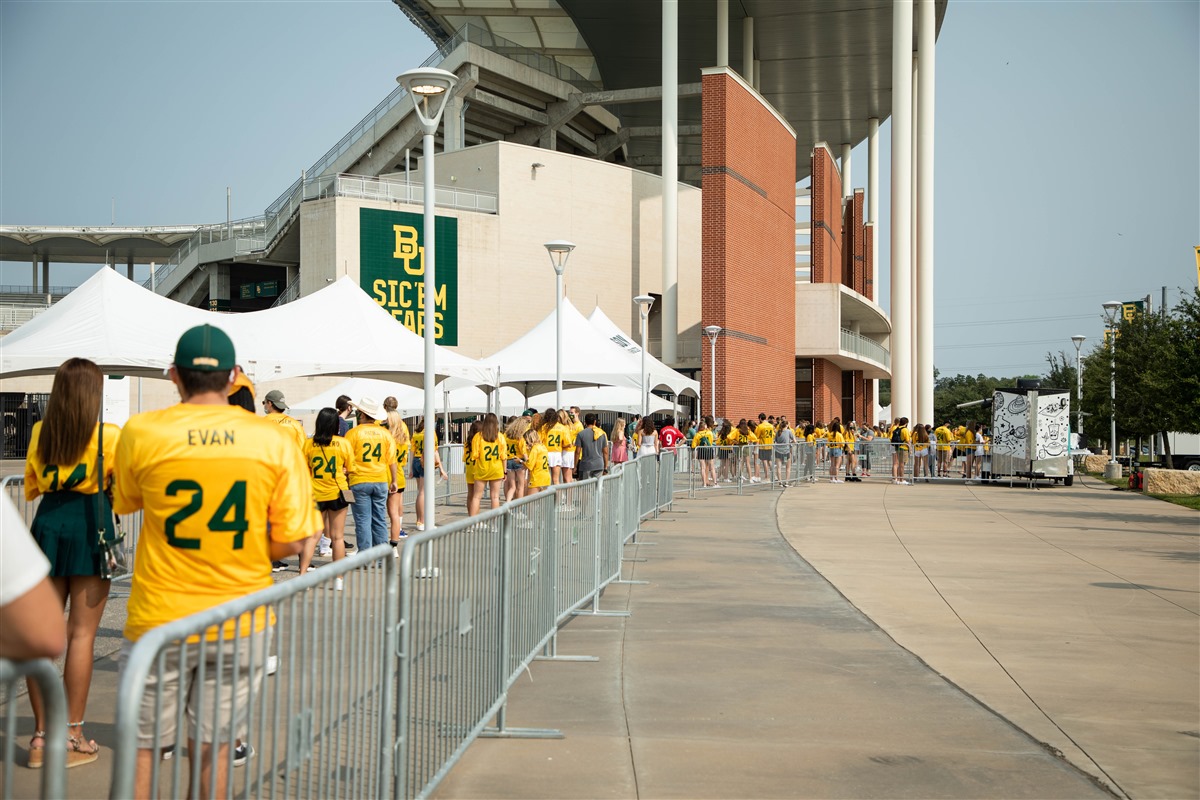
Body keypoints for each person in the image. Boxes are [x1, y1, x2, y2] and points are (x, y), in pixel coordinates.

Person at [113, 324, 316, 797]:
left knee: (141, 753)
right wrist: (239, 548)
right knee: (215, 751)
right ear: (234, 379)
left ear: (173, 376)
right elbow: (291, 539)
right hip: (239, 618)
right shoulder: (274, 441)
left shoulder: (142, 431)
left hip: (159, 620)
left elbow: (126, 502)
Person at [21, 357, 118, 769]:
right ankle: (73, 735)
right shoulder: (109, 435)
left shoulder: (41, 431)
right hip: (92, 528)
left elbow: (30, 487)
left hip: (47, 527)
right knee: (81, 637)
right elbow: (124, 487)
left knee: (40, 638)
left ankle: (41, 738)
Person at [0, 494, 67, 662]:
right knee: (82, 633)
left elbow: (31, 489)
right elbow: (45, 636)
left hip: (49, 516)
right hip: (90, 517)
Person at [304, 408, 352, 584]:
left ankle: (302, 576)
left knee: (313, 536)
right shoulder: (343, 443)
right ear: (335, 425)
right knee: (338, 537)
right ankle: (338, 578)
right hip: (337, 493)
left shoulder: (308, 444)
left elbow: (304, 469)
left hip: (315, 493)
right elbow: (351, 468)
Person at [344, 396, 397, 550]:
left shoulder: (353, 433)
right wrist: (393, 480)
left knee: (362, 520)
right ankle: (381, 556)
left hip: (359, 480)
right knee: (379, 519)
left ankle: (365, 557)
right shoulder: (385, 434)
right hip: (380, 479)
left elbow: (347, 458)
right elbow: (391, 460)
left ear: (362, 414)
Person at [411, 418, 447, 531]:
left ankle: (419, 520)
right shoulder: (431, 433)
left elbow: (412, 451)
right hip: (425, 460)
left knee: (420, 492)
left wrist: (411, 468)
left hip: (416, 460)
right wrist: (441, 468)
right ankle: (423, 521)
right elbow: (434, 450)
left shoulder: (416, 433)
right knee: (423, 492)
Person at [470, 413, 507, 515]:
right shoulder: (500, 437)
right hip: (496, 469)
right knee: (495, 497)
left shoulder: (478, 437)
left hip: (482, 468)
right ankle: (495, 523)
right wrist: (505, 471)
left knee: (476, 497)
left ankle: (473, 523)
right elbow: (503, 456)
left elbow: (474, 455)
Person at [385, 410, 410, 543]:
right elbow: (404, 460)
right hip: (399, 476)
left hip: (387, 476)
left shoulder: (389, 439)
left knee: (381, 514)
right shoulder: (403, 439)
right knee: (395, 513)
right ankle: (394, 543)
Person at [574, 413, 610, 480]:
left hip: (585, 465)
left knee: (586, 488)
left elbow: (577, 452)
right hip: (599, 464)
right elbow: (605, 452)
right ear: (595, 422)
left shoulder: (581, 434)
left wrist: (575, 466)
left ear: (585, 422)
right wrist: (605, 466)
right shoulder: (602, 434)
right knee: (597, 487)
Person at [504, 416, 530, 502]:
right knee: (520, 486)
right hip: (518, 460)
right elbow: (524, 454)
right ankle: (519, 507)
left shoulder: (506, 436)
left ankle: (507, 503)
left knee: (512, 486)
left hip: (508, 460)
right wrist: (527, 461)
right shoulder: (520, 439)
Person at [462, 419, 483, 516]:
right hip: (477, 468)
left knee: (470, 494)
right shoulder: (479, 441)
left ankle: (470, 515)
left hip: (469, 468)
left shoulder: (467, 443)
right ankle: (476, 516)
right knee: (477, 496)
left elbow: (465, 458)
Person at [540, 408, 566, 484]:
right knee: (556, 479)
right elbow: (567, 442)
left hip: (545, 453)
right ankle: (558, 496)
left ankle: (547, 495)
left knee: (546, 479)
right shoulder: (562, 427)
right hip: (557, 453)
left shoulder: (543, 427)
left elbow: (539, 441)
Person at [523, 429, 551, 494]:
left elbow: (530, 466)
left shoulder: (535, 448)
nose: (526, 443)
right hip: (546, 478)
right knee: (543, 503)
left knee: (530, 502)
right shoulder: (543, 447)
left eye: (526, 442)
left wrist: (521, 461)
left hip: (536, 478)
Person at [691, 416, 716, 487]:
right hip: (709, 450)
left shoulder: (697, 434)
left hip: (701, 451)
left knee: (702, 467)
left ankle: (704, 483)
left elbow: (693, 445)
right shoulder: (709, 433)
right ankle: (715, 483)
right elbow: (711, 441)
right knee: (712, 467)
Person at [753, 413, 775, 483]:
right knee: (769, 461)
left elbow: (756, 436)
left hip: (763, 445)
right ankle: (774, 476)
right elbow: (773, 434)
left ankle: (767, 477)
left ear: (759, 419)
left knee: (764, 461)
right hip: (770, 444)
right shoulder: (771, 426)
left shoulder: (760, 426)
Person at [774, 416, 796, 485]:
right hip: (786, 451)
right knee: (788, 467)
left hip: (778, 451)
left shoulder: (778, 432)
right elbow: (794, 441)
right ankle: (786, 481)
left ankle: (780, 481)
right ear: (787, 425)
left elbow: (775, 441)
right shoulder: (789, 431)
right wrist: (790, 443)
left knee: (779, 467)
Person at [891, 417, 912, 485]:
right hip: (904, 448)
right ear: (906, 423)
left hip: (898, 447)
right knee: (902, 464)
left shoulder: (897, 428)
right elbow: (908, 440)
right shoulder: (905, 430)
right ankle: (901, 479)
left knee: (899, 463)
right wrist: (910, 449)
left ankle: (897, 478)